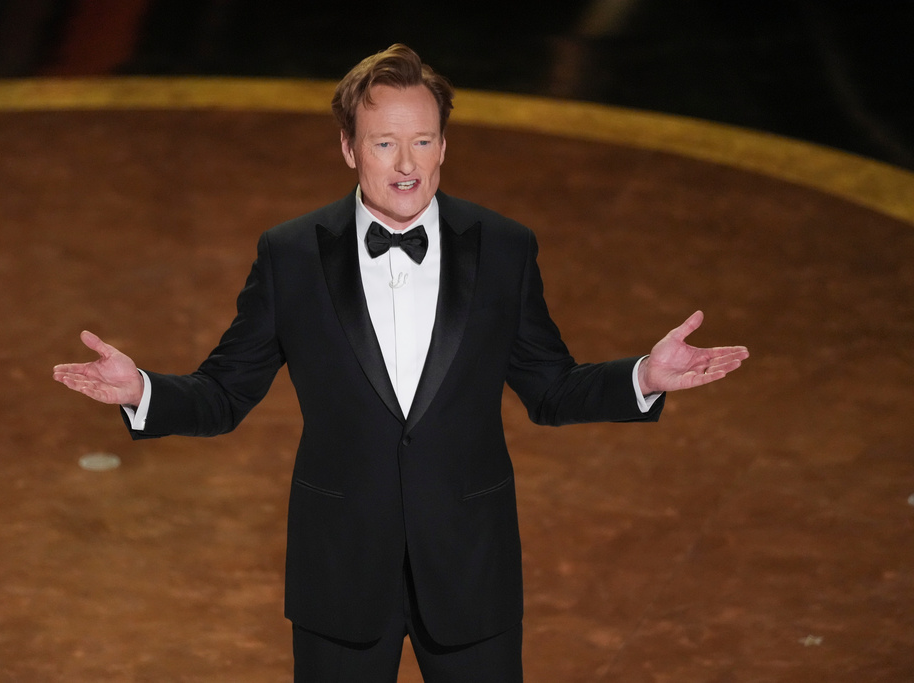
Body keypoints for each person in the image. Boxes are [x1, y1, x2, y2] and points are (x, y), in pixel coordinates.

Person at [53, 43, 748, 683]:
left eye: (422, 141)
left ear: (444, 145)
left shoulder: (504, 248)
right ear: (350, 149)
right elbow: (225, 392)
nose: (407, 164)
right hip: (340, 573)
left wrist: (643, 378)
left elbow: (550, 387)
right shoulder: (290, 256)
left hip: (472, 569)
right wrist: (141, 389)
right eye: (385, 143)